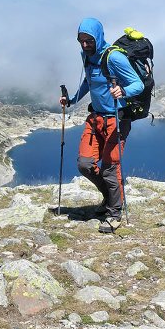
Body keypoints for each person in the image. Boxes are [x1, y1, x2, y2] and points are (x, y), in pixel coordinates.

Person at [59, 17, 144, 233]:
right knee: (85, 164)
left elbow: (138, 84)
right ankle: (109, 196)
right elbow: (89, 81)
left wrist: (123, 91)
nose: (85, 45)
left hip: (117, 119)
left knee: (109, 168)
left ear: (98, 37)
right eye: (81, 41)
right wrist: (72, 101)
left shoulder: (114, 57)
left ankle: (115, 213)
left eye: (89, 40)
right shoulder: (86, 56)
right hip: (96, 118)